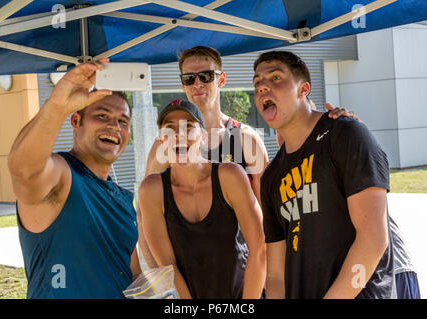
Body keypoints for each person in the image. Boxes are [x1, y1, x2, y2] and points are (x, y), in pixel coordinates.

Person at [137, 45, 353, 268]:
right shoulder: (165, 146)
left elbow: (270, 213)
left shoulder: (246, 139)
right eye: (189, 78)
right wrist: (159, 278)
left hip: (240, 272)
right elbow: (144, 216)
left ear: (221, 80)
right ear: (183, 85)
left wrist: (269, 275)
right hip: (187, 272)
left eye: (206, 76)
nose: (198, 84)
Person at [254, 50, 395, 298]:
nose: (263, 87)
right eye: (257, 83)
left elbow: (373, 240)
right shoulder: (271, 177)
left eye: (275, 78)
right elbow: (276, 274)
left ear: (303, 89)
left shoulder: (346, 135)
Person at [8, 59, 141, 298]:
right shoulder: (62, 176)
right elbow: (24, 171)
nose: (115, 126)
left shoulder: (122, 201)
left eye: (123, 121)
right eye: (102, 115)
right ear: (76, 121)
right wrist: (58, 105)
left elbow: (131, 276)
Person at [138, 99, 266, 299]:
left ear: (204, 137)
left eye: (188, 127)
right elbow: (168, 266)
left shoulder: (230, 176)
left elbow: (259, 249)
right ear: (162, 140)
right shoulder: (152, 191)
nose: (179, 135)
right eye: (170, 128)